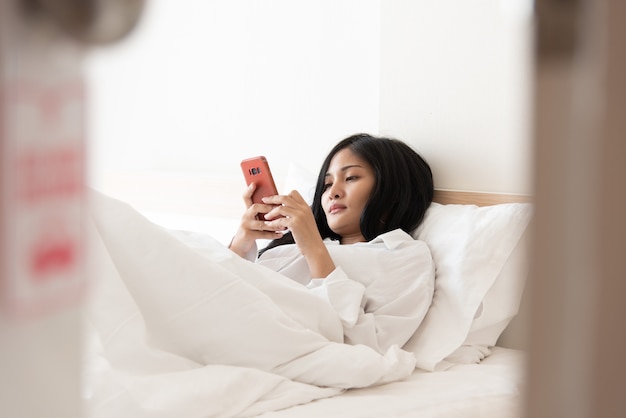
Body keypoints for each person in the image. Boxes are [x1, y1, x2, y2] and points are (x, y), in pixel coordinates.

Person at [228, 133, 436, 354]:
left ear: (394, 188)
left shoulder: (404, 255)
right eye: (327, 184)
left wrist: (313, 248)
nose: (332, 193)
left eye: (351, 178)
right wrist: (240, 245)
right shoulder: (294, 242)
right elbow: (229, 290)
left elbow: (363, 344)